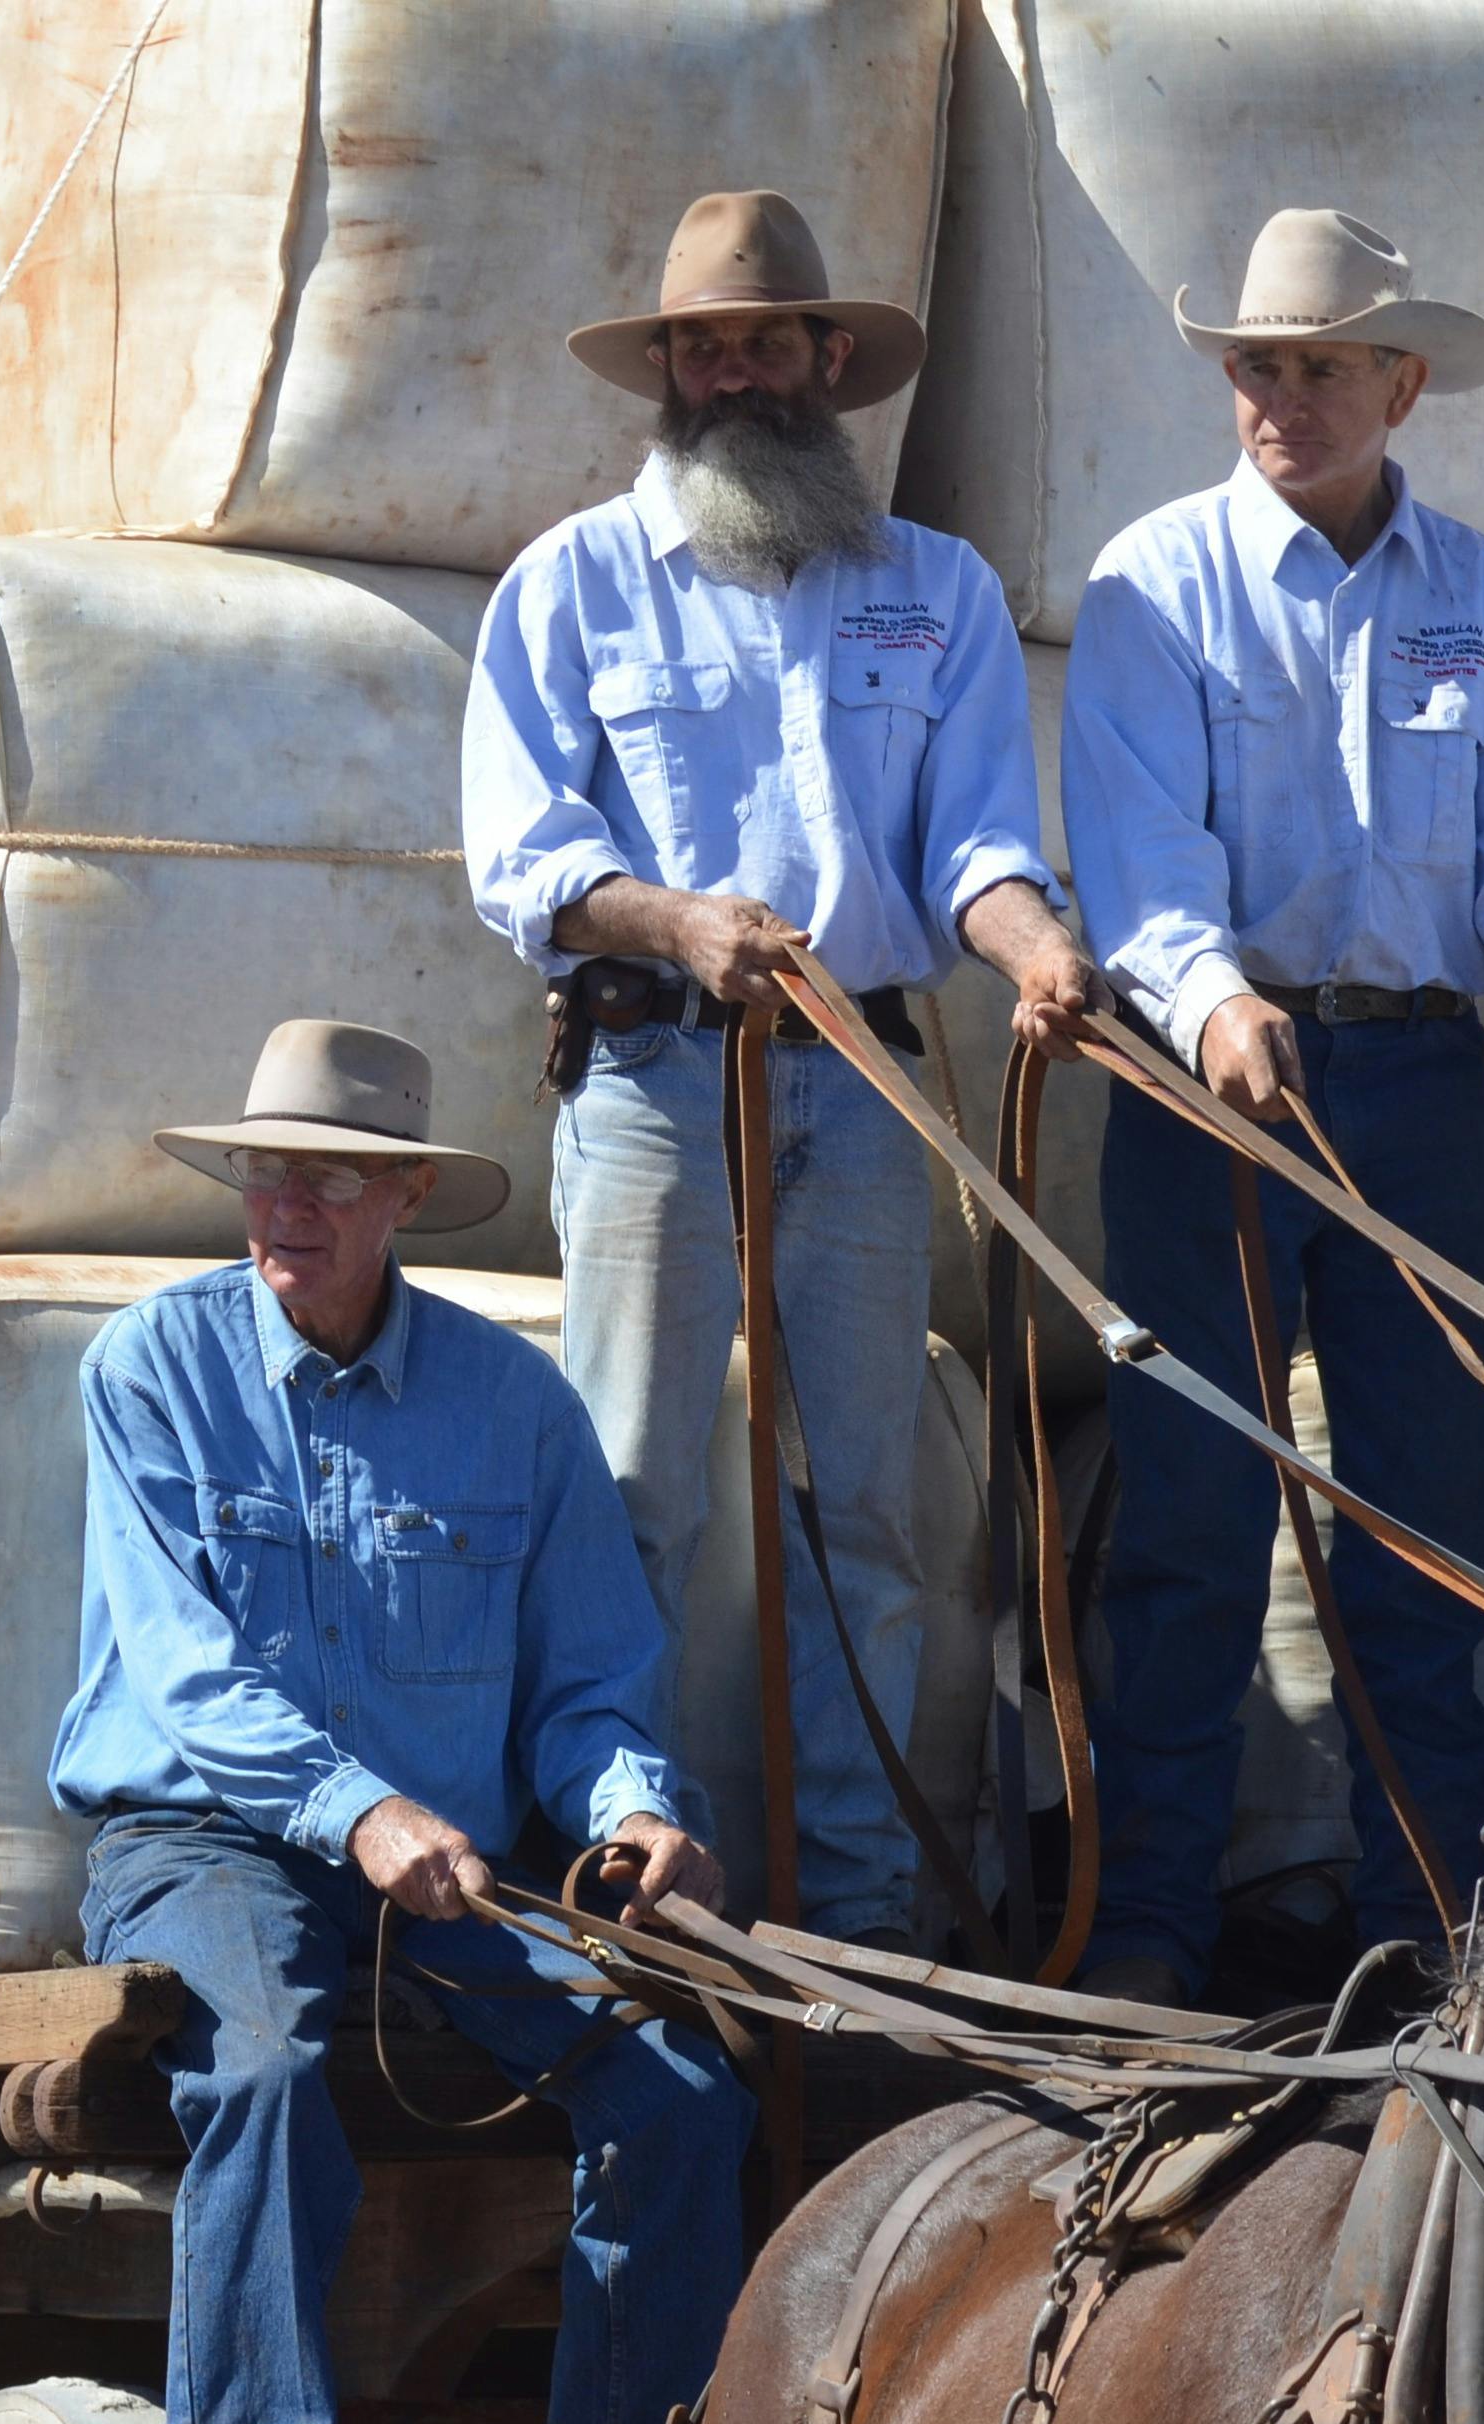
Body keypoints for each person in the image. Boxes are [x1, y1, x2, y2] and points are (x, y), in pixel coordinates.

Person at [51, 1022, 757, 2424]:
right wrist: (360, 1809)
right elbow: (189, 1673)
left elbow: (592, 1675)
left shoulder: (513, 1406)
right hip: (206, 1836)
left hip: (454, 1864)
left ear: (406, 1200)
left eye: (329, 1175)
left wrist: (636, 1815)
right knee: (271, 2066)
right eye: (264, 1171)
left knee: (677, 2090)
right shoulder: (151, 1365)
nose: (284, 1201)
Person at [460, 187, 1104, 1954]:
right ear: (664, 369)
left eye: (762, 337)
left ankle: (860, 1908)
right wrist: (672, 924)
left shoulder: (936, 588)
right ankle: (615, 1872)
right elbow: (524, 858)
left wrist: (1037, 945)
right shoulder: (571, 581)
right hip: (659, 1076)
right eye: (700, 342)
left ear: (831, 360)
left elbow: (975, 841)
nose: (730, 365)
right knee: (641, 1486)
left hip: (868, 1076)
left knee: (869, 1517)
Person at [1056, 212, 1484, 2003]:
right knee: (1189, 1505)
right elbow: (1138, 856)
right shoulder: (1149, 583)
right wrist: (1205, 998)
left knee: (1424, 1507)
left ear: (1398, 383)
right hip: (1208, 1091)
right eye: (1255, 364)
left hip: (1415, 1077)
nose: (1278, 396)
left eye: (1317, 364)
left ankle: (1423, 1914)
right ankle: (1155, 1924)